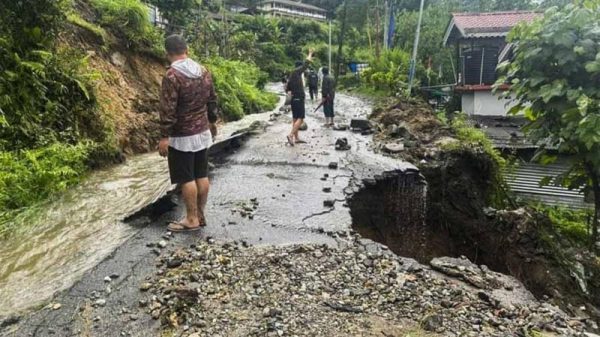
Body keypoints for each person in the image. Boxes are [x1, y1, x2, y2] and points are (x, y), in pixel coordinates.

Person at [158, 34, 218, 233]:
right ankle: (200, 214)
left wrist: (164, 136)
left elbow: (168, 109)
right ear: (187, 50)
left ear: (168, 54)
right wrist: (212, 121)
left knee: (186, 178)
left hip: (181, 136)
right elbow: (212, 99)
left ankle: (191, 218)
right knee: (201, 174)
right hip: (202, 132)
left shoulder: (172, 76)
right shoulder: (203, 71)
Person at [285, 49, 314, 146]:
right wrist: (310, 53)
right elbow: (306, 64)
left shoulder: (291, 75)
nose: (304, 69)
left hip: (294, 99)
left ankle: (296, 138)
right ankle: (291, 135)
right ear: (299, 67)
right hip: (298, 98)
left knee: (295, 118)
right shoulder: (297, 72)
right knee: (300, 118)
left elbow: (287, 89)